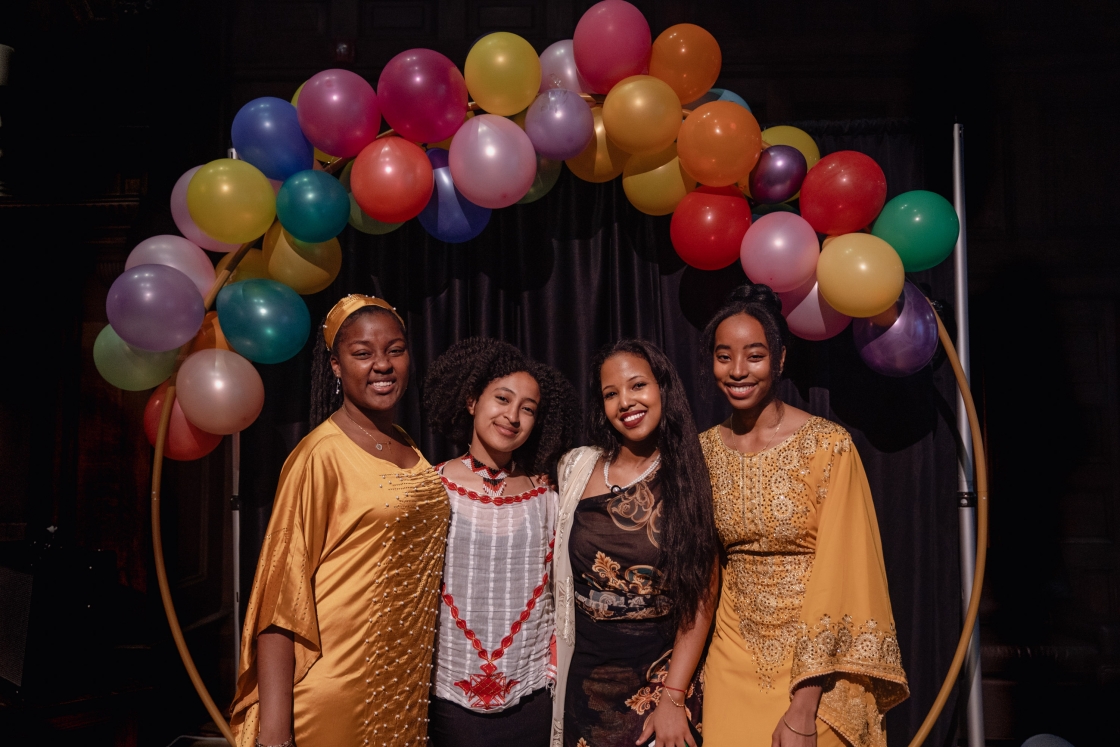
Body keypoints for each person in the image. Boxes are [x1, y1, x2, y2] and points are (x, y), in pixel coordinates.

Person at [230, 295, 449, 747]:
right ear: (334, 365)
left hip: (402, 689)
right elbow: (278, 604)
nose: (383, 365)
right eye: (363, 353)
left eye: (395, 349)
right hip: (337, 692)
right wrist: (274, 734)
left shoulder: (406, 443)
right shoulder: (319, 456)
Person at [697, 285, 909, 747]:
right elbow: (703, 572)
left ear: (779, 359)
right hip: (731, 663)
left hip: (817, 676)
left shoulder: (828, 446)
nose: (737, 370)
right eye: (723, 355)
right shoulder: (703, 451)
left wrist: (804, 705)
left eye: (754, 355)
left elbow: (844, 574)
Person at [553, 339, 720, 747]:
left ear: (662, 388)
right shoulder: (576, 466)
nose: (625, 402)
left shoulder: (689, 471)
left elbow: (702, 593)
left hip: (660, 677)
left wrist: (673, 697)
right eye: (611, 394)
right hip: (587, 676)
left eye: (638, 386)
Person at [421, 337, 577, 747]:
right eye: (502, 399)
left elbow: (560, 593)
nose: (513, 416)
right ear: (472, 400)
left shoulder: (549, 498)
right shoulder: (430, 488)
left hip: (530, 696)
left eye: (528, 409)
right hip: (445, 697)